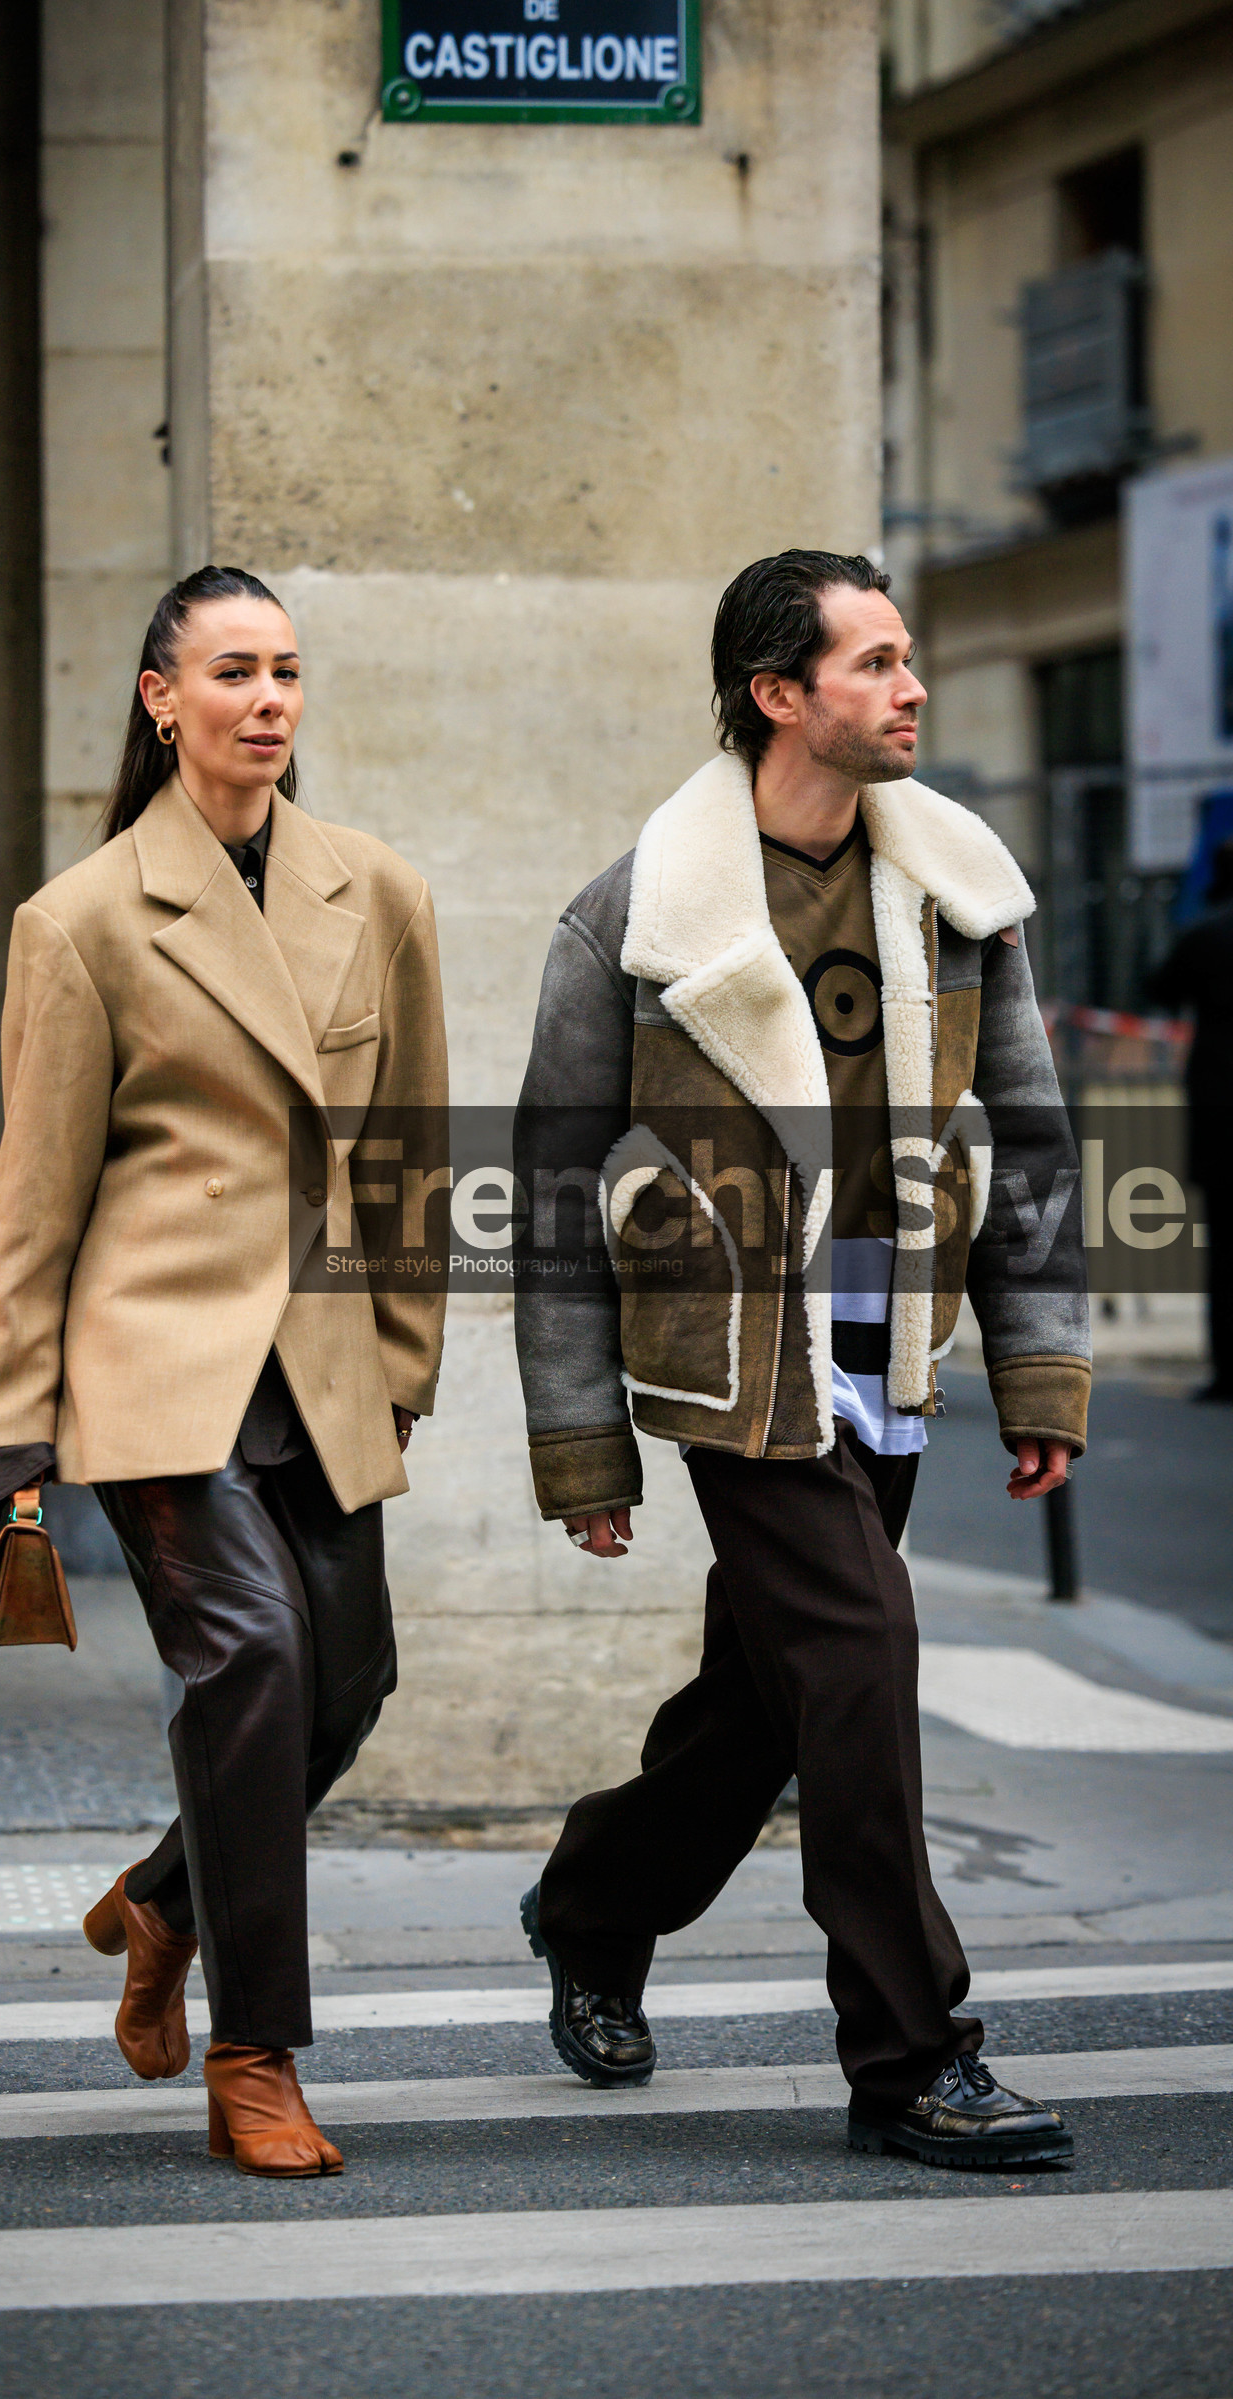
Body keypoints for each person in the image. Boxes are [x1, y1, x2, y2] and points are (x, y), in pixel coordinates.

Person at [512, 550, 1088, 2168]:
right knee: (861, 1659)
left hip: (891, 1353)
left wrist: (1041, 1374)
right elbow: (557, 1193)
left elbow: (1030, 1145)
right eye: (879, 660)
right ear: (782, 692)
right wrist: (583, 1447)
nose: (913, 686)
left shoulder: (958, 893)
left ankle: (593, 1898)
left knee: (768, 1704)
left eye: (909, 659)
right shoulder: (640, 912)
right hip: (737, 1369)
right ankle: (912, 2053)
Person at [0, 566, 447, 2177]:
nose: (268, 699)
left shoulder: (376, 890)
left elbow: (409, 1154)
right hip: (158, 1357)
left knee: (349, 1680)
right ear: (161, 696)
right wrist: (13, 1428)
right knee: (249, 1662)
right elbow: (34, 1191)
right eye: (233, 670)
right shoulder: (84, 916)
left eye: (288, 671)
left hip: (322, 1360)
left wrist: (407, 1358)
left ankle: (162, 1899)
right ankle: (257, 2056)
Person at [1146, 835, 1233, 1402]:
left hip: (1221, 1108)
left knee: (1224, 1246)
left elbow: (1155, 988)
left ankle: (1229, 1370)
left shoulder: (1206, 936)